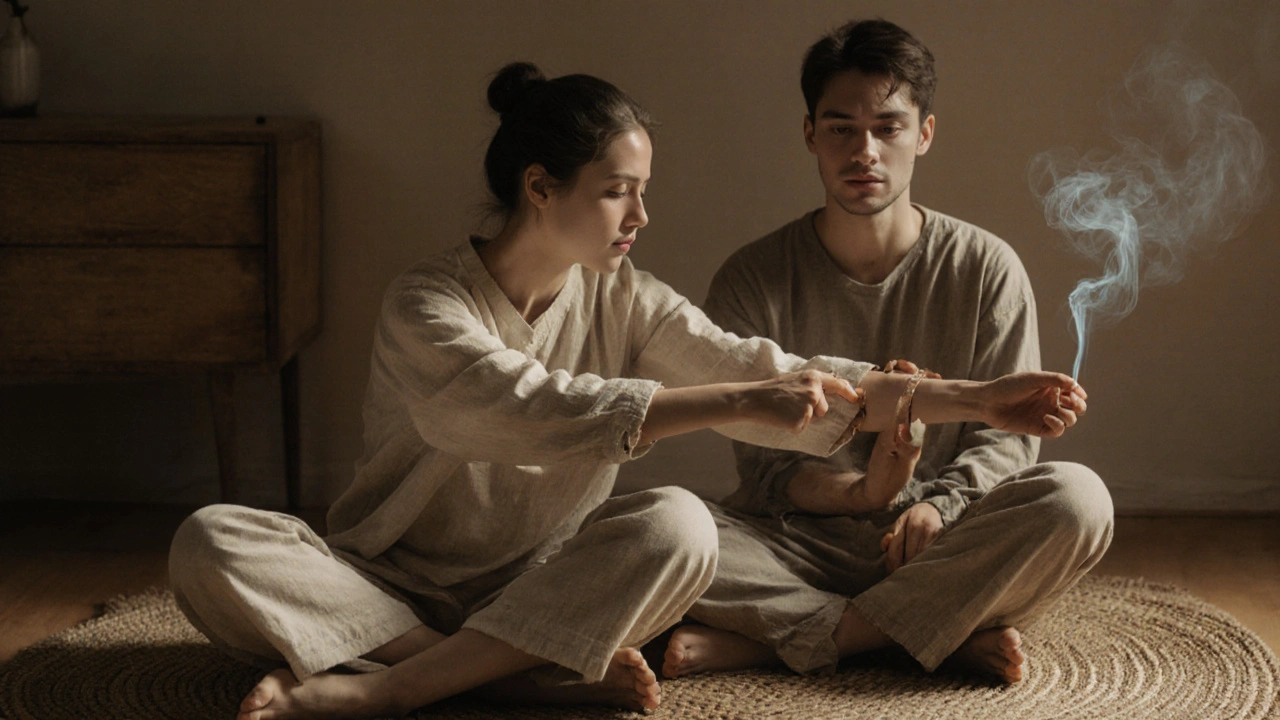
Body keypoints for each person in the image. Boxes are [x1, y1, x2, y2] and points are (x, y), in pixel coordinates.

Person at [167, 61, 1086, 720]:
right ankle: (498, 675)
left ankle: (401, 683)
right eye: (620, 193)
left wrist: (977, 399)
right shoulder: (428, 302)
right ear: (541, 187)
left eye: (644, 192)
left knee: (677, 525)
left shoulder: (628, 295)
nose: (642, 217)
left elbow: (776, 373)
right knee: (210, 542)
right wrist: (730, 404)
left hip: (549, 584)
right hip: (382, 578)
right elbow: (528, 410)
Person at [661, 20, 1114, 685]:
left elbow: (1006, 445)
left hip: (939, 543)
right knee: (661, 528)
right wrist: (864, 492)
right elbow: (765, 472)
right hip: (795, 543)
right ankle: (916, 633)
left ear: (924, 133)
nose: (864, 151)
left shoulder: (987, 267)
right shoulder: (752, 278)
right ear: (810, 133)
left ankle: (784, 640)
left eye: (889, 128)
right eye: (841, 128)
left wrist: (937, 507)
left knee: (1080, 501)